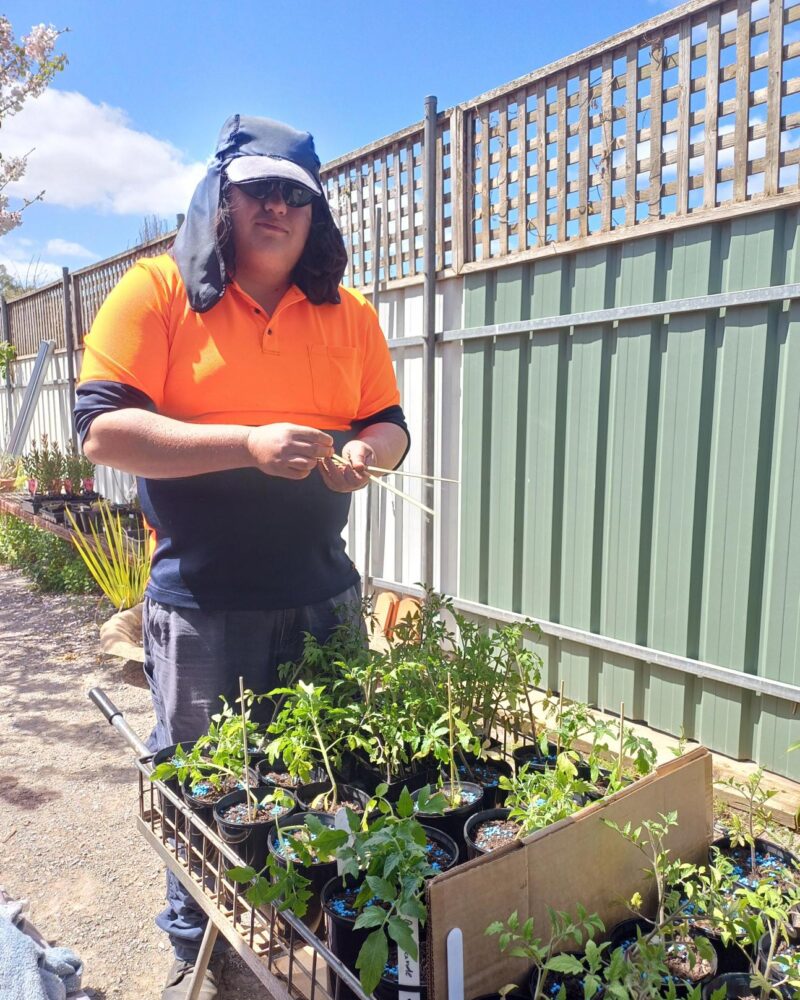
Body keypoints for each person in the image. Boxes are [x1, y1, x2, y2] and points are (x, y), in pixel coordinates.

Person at [74, 114, 409, 1000]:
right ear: (221, 198)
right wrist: (245, 443)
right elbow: (103, 431)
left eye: (295, 194)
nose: (277, 207)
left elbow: (390, 422)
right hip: (203, 598)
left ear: (316, 214)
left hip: (322, 591)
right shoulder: (157, 293)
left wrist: (372, 454)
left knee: (324, 767)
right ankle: (197, 942)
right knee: (203, 779)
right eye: (259, 188)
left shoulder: (349, 315)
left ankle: (300, 922)